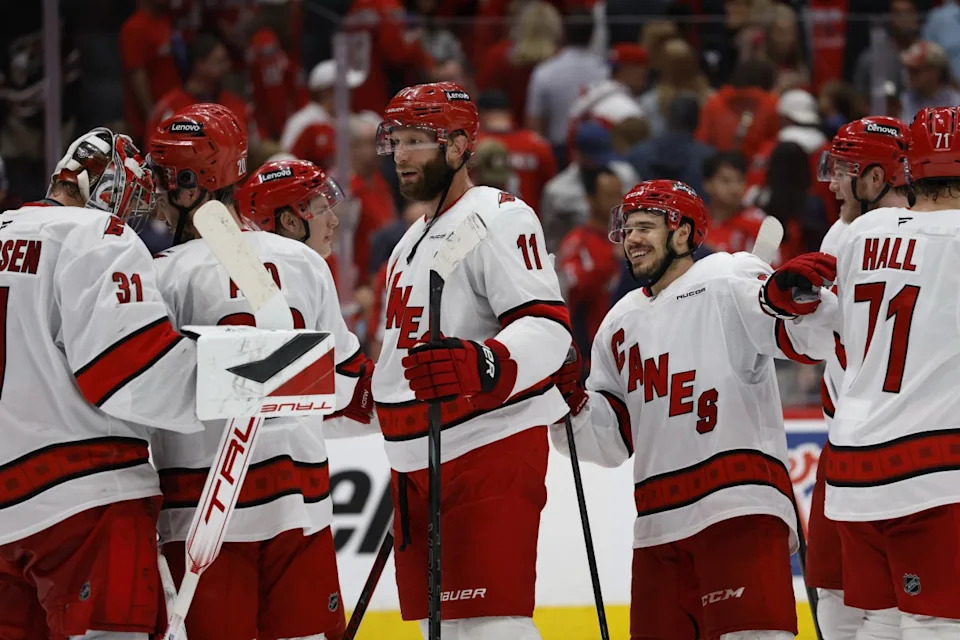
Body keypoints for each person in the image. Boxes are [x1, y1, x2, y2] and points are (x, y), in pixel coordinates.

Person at [551, 179, 838, 640]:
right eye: (627, 229)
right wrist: (568, 401)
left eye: (646, 226)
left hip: (737, 509)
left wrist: (794, 300)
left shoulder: (728, 279)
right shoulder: (617, 323)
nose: (633, 238)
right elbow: (607, 442)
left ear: (683, 233)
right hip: (657, 529)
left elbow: (814, 338)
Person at [147, 105, 374, 640]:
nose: (155, 192)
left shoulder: (159, 275)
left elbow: (147, 390)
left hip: (202, 504)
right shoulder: (303, 263)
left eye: (162, 177)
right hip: (300, 501)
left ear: (187, 185)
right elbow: (342, 384)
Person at [372, 81, 572, 640]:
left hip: (486, 447)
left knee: (491, 625)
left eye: (416, 140)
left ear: (460, 146)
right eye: (397, 142)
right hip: (416, 458)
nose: (402, 155)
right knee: (446, 631)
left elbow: (547, 328)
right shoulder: (407, 239)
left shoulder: (499, 214)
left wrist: (486, 362)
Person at [0, 128, 205, 639]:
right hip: (83, 503)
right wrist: (236, 375)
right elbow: (131, 372)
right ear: (108, 186)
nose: (133, 214)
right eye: (132, 195)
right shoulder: (97, 237)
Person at [803, 106, 960, 639]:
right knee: (932, 623)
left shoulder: (855, 236)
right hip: (930, 461)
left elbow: (814, 330)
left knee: (872, 618)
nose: (833, 185)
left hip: (851, 458)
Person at [805, 115, 913, 639]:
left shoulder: (911, 233)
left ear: (876, 176)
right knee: (836, 589)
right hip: (844, 439)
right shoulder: (842, 230)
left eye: (843, 169)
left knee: (895, 606)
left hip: (902, 441)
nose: (830, 181)